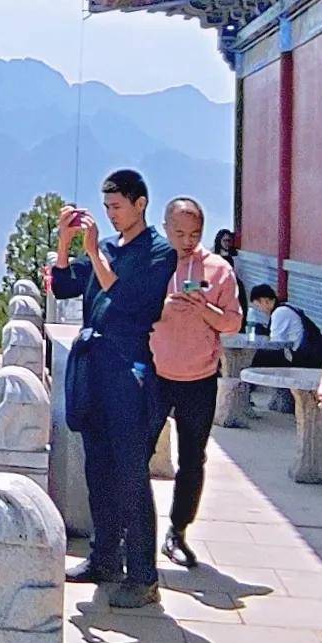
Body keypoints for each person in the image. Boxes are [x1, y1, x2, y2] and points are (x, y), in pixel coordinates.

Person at [50, 168, 177, 610]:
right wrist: (66, 245)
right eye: (106, 208)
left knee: (130, 474)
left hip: (130, 368)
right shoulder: (106, 248)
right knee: (97, 467)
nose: (112, 216)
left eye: (117, 207)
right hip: (95, 367)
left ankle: (143, 575)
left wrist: (93, 252)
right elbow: (65, 285)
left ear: (140, 203)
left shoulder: (158, 253)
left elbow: (127, 301)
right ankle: (104, 556)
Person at [150, 196, 239, 571]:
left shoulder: (218, 270)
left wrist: (206, 309)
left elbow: (233, 322)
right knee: (136, 454)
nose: (187, 240)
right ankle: (129, 529)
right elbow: (128, 310)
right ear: (166, 228)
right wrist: (164, 307)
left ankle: (178, 530)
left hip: (199, 377)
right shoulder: (152, 265)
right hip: (154, 373)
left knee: (193, 460)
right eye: (180, 232)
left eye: (195, 233)